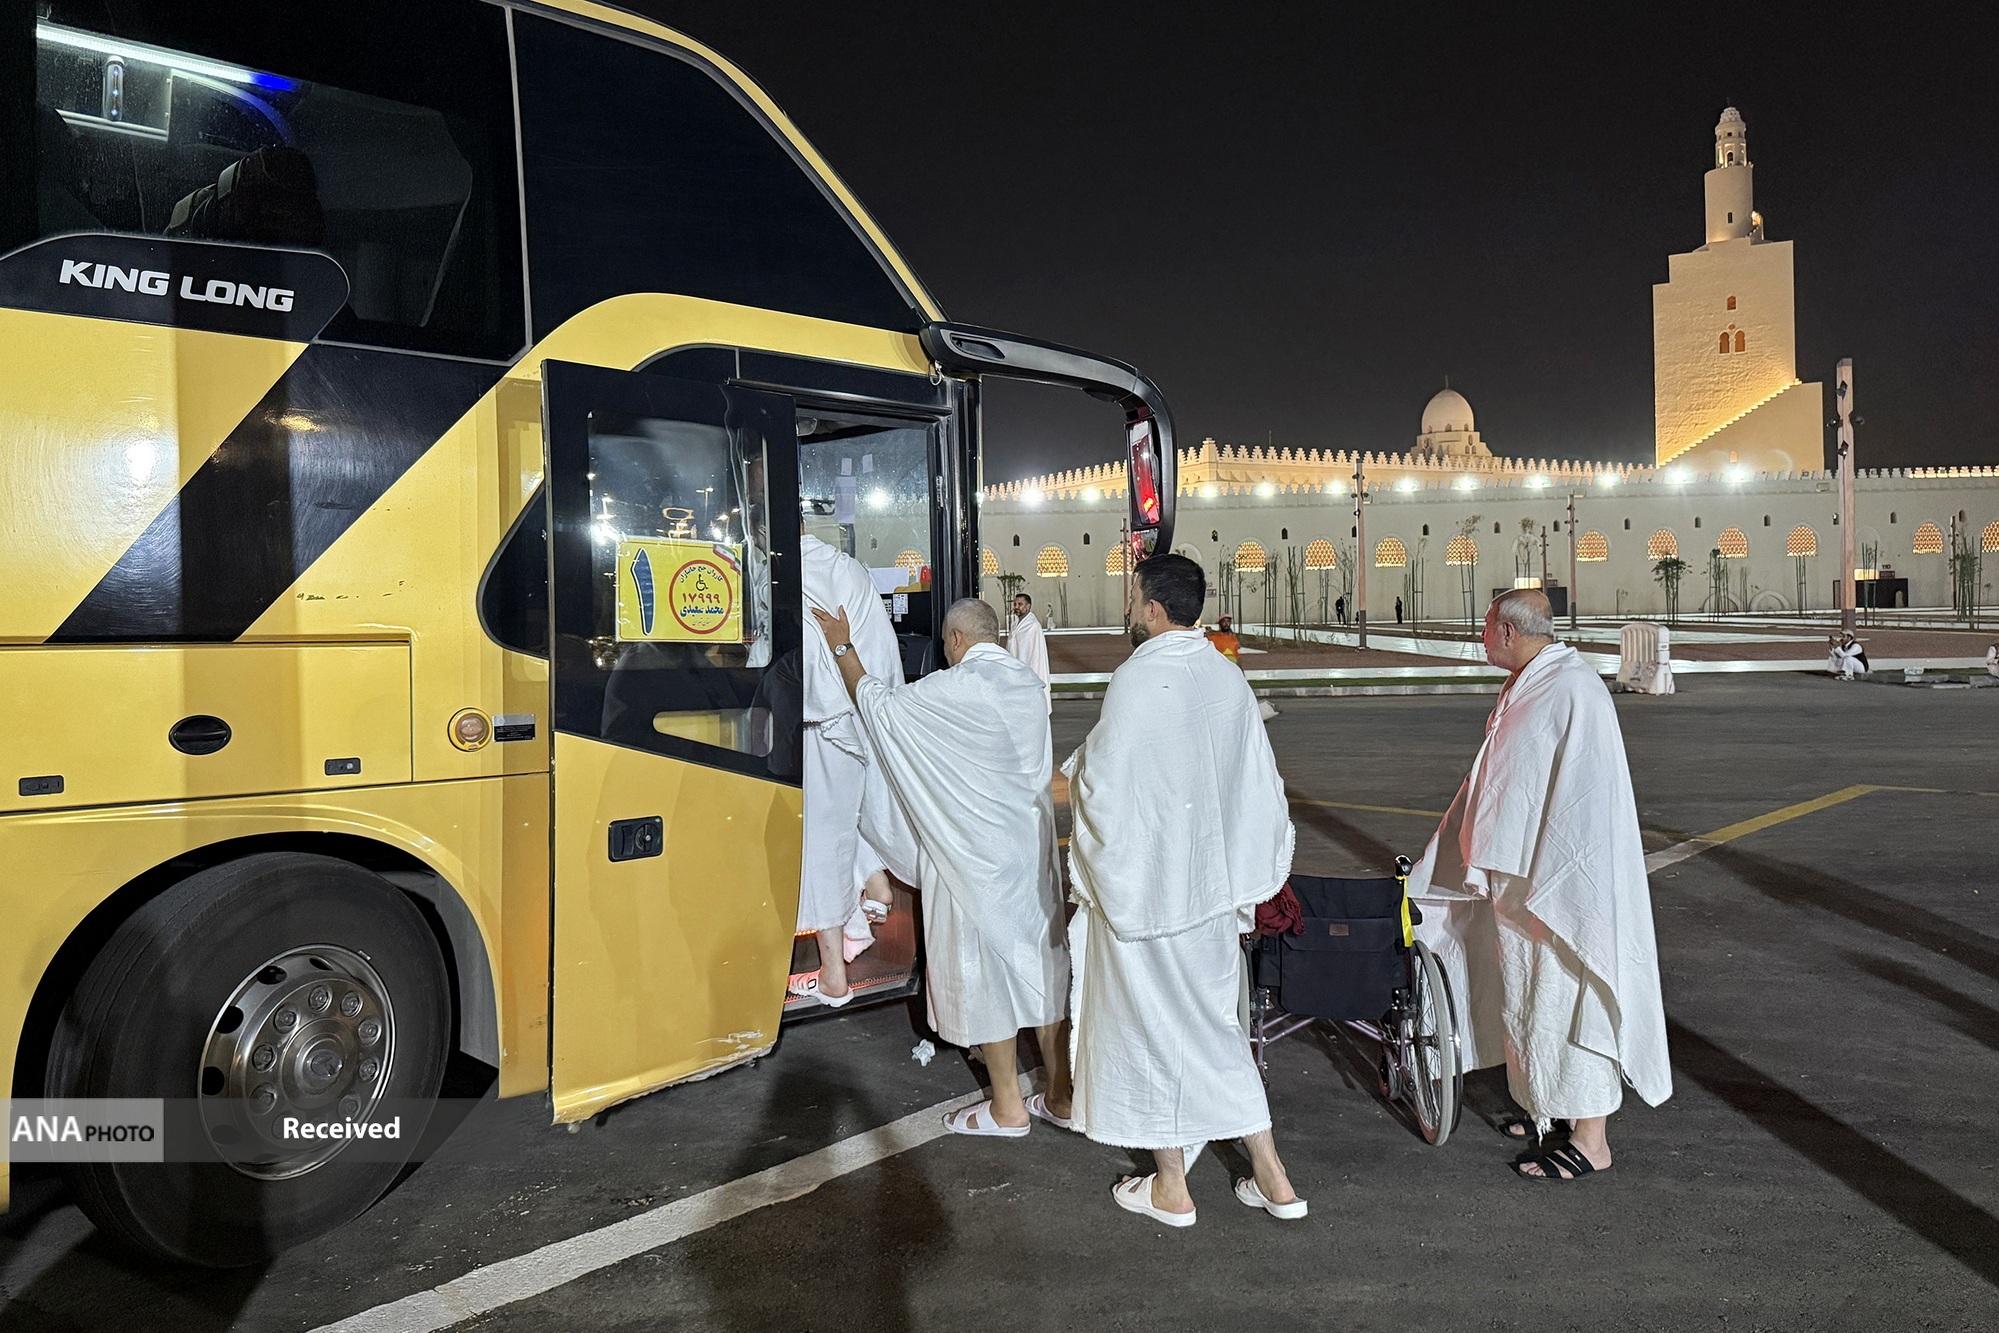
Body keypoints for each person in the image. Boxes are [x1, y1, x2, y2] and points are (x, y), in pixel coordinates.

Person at [1065, 553, 1304, 1227]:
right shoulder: (1224, 678)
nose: (1127, 607)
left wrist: (1079, 771)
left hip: (1148, 893)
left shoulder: (1137, 681)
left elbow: (1107, 790)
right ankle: (1272, 1175)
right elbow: (1255, 785)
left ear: (1151, 606)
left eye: (1131, 596)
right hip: (1209, 894)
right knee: (1212, 1031)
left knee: (1151, 1028)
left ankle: (1172, 1184)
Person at [1408, 589, 1672, 1181]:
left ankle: (1592, 1136)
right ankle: (1546, 1107)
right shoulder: (1530, 684)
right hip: (1519, 882)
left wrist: (1557, 875)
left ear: (1505, 632)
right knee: (1526, 999)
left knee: (1566, 996)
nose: (1481, 638)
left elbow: (1582, 796)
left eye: (1484, 627)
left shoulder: (1573, 689)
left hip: (1558, 886)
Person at [812, 597, 1072, 1134]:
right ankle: (1062, 1094)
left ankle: (1007, 1107)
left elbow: (879, 707)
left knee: (986, 978)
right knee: (1042, 973)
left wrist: (842, 645)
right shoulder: (1024, 684)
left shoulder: (956, 688)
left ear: (954, 641)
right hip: (1031, 856)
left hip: (972, 861)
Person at [791, 532, 910, 1006]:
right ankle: (874, 888)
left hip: (812, 726)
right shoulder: (849, 572)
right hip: (850, 723)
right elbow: (881, 655)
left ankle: (834, 974)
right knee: (839, 829)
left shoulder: (771, 574)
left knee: (821, 846)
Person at [1008, 592, 1052, 712]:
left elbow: (1034, 654)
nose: (1016, 607)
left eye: (1020, 604)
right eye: (1015, 604)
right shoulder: (1015, 624)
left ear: (1028, 607)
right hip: (1015, 670)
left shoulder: (1033, 626)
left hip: (1030, 669)